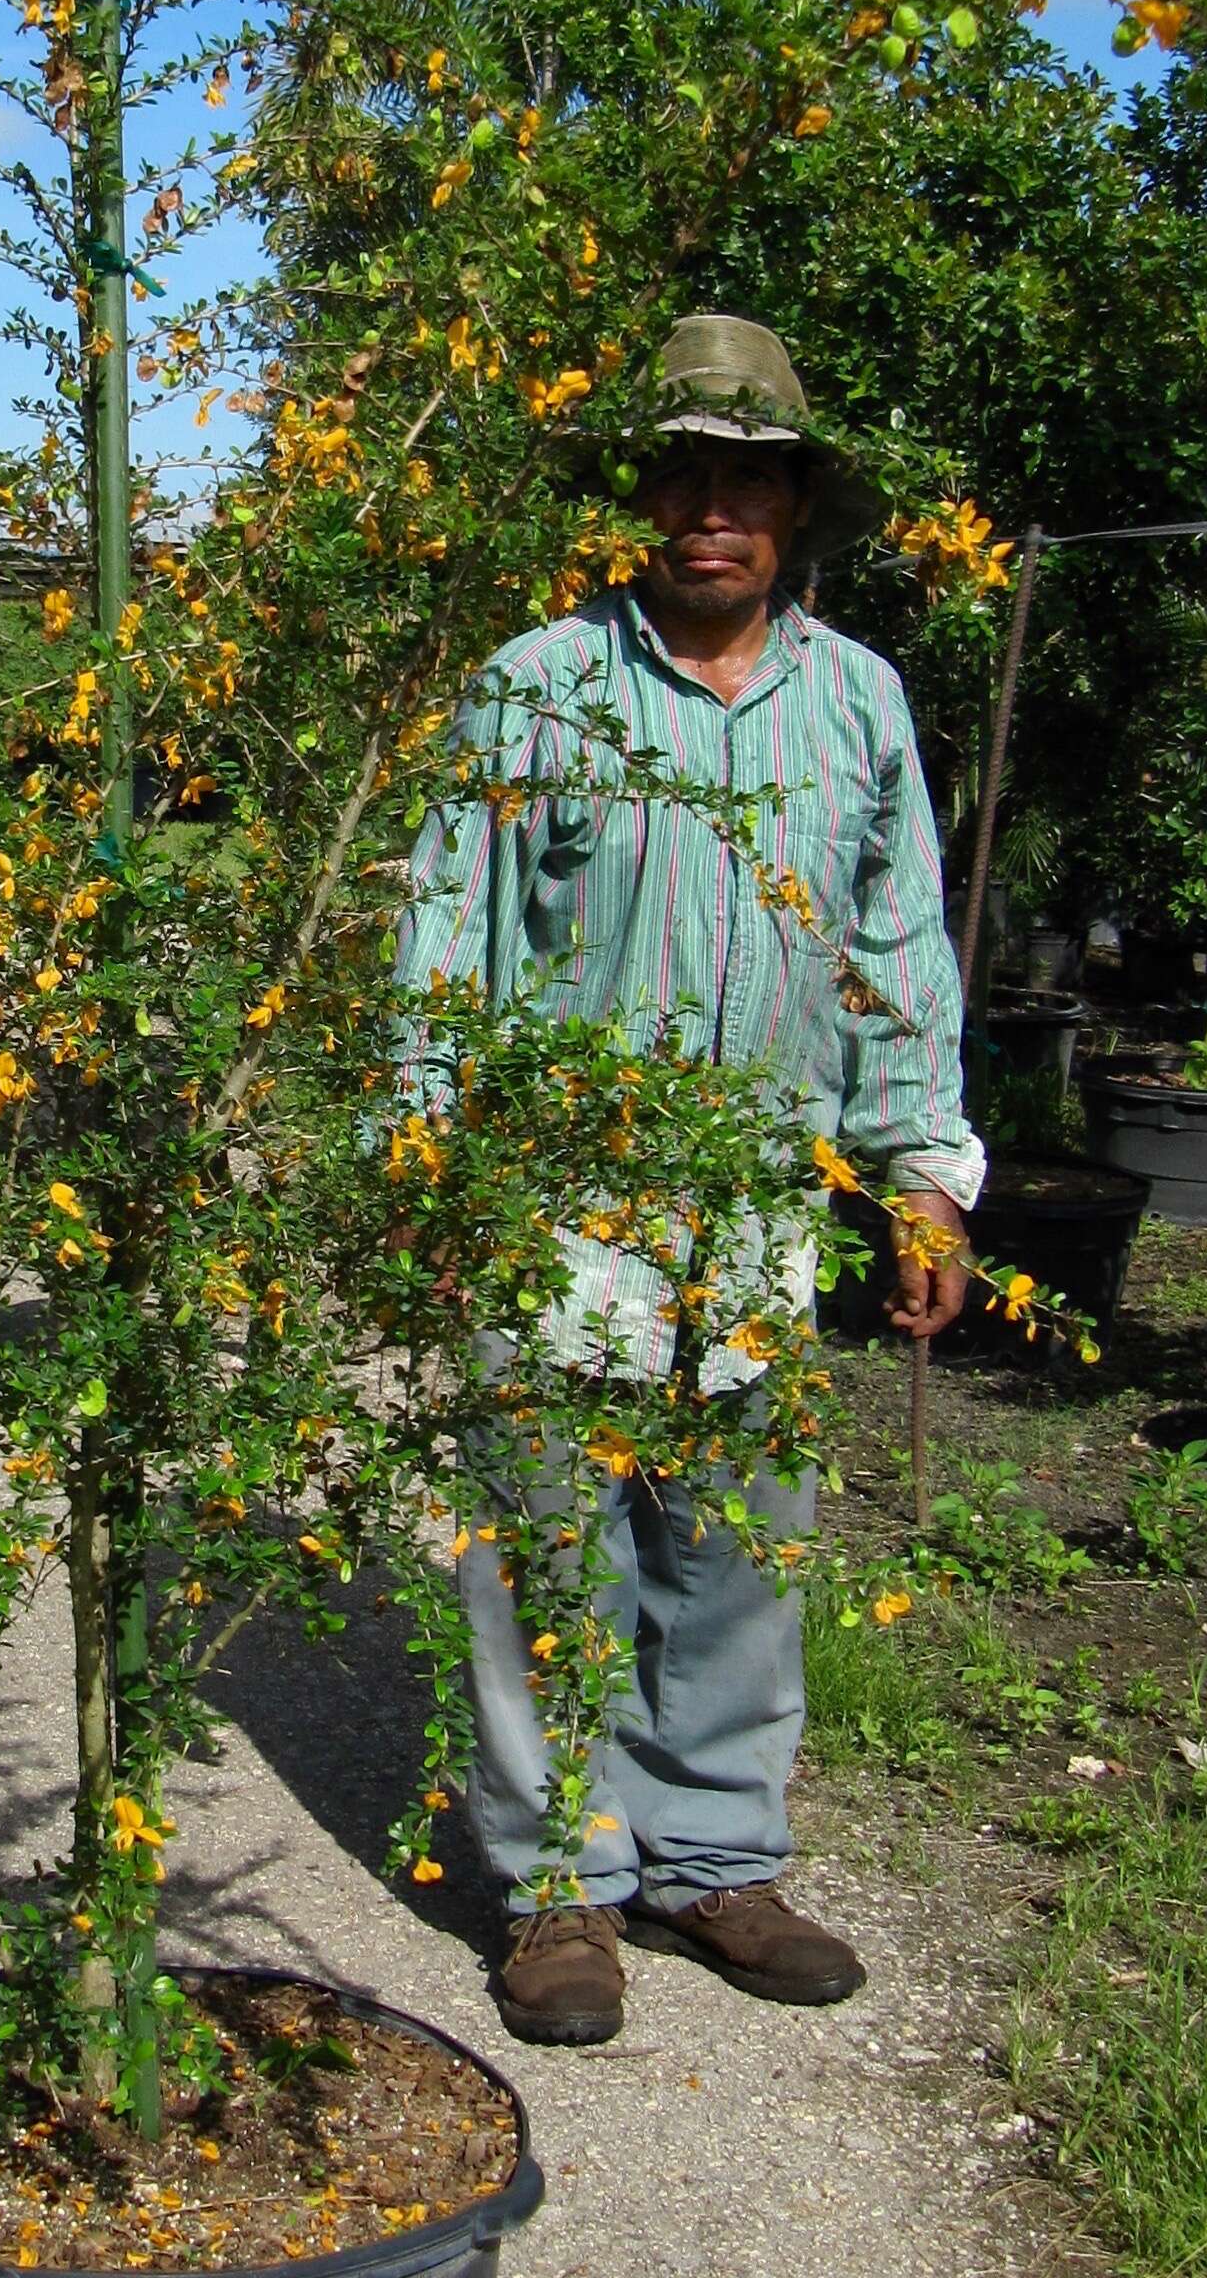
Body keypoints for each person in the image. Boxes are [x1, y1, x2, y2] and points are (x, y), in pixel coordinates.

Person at [393, 313, 979, 2048]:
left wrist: (919, 1170)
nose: (712, 511)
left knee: (739, 1543)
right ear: (643, 500)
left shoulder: (859, 700)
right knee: (551, 1538)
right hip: (556, 1200)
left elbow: (894, 947)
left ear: (793, 509)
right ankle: (563, 1882)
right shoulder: (539, 686)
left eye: (749, 481)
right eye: (685, 478)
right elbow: (447, 934)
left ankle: (714, 1853)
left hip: (756, 1202)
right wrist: (430, 1168)